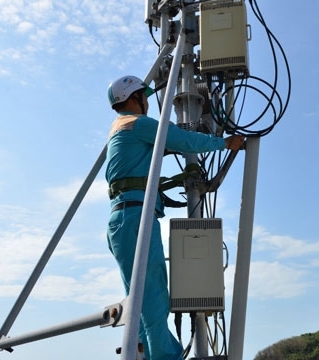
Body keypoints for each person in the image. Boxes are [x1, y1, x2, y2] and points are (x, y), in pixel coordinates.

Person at [105, 75, 244, 360]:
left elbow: (160, 148)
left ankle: (141, 352)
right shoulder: (139, 124)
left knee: (139, 303)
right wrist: (224, 143)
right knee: (153, 301)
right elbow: (181, 140)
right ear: (135, 98)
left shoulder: (120, 129)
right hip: (135, 219)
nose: (147, 100)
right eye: (143, 95)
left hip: (121, 220)